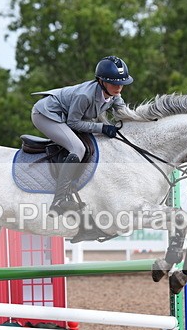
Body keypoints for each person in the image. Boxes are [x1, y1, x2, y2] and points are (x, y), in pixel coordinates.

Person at [31, 55, 133, 215]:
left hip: (65, 116)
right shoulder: (84, 96)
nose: (119, 87)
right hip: (46, 114)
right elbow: (73, 123)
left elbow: (124, 113)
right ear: (101, 81)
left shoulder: (114, 95)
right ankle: (59, 200)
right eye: (114, 83)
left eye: (121, 83)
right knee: (77, 148)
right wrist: (102, 128)